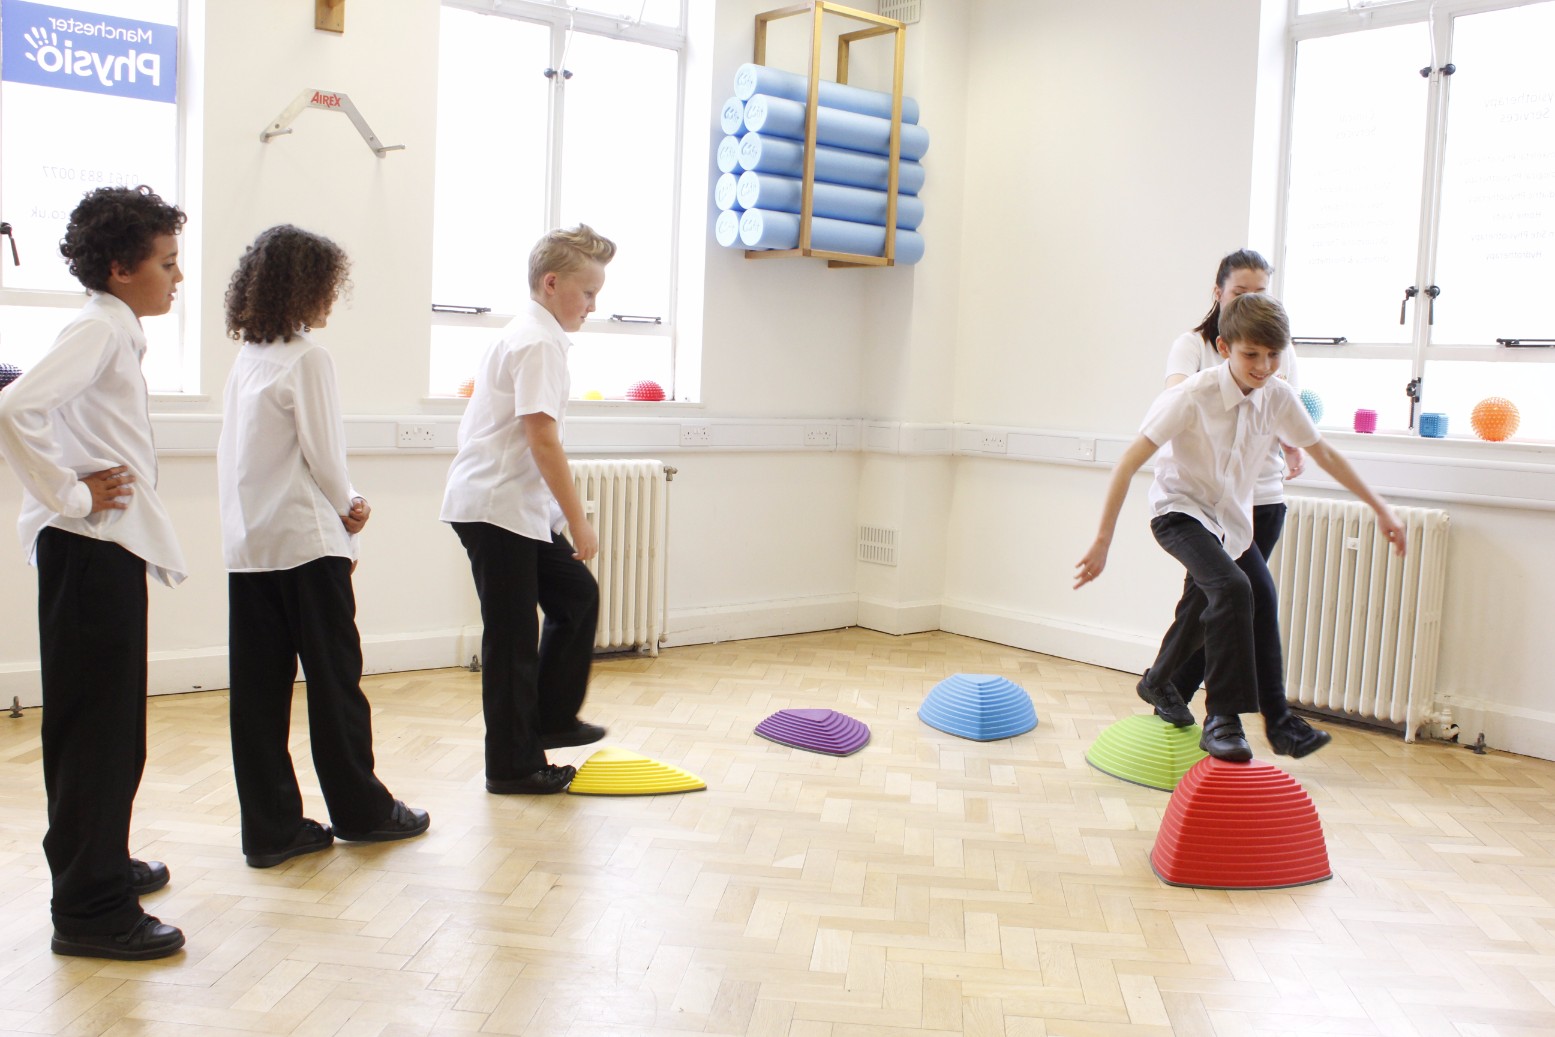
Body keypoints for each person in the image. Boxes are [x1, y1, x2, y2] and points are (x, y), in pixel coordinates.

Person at [1075, 293, 1405, 762]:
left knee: (1255, 596)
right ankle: (1223, 719)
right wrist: (1102, 541)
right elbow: (1128, 463)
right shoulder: (1190, 396)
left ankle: (1248, 712)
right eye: (1252, 354)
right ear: (1225, 347)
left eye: (1274, 355)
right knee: (1232, 589)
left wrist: (1381, 509)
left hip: (1230, 521)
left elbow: (1325, 454)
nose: (1264, 366)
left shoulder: (1278, 397)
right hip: (1179, 512)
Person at [0, 185, 188, 959]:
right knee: (96, 736)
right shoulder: (99, 330)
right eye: (167, 263)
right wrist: (72, 494)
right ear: (119, 268)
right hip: (88, 550)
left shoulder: (112, 327)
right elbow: (14, 409)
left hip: (102, 549)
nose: (177, 277)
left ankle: (99, 862)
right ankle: (89, 910)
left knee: (112, 730)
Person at [219, 224, 429, 868]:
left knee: (257, 693)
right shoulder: (308, 358)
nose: (332, 298)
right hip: (308, 545)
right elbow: (323, 453)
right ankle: (363, 812)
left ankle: (271, 830)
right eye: (328, 285)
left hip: (250, 545)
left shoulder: (248, 359)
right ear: (304, 287)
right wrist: (351, 504)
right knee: (335, 682)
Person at [442, 225, 614, 795]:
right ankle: (513, 766)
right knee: (512, 638)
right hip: (495, 508)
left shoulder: (539, 336)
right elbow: (542, 440)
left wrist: (559, 519)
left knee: (576, 597)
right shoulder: (537, 341)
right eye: (587, 293)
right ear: (552, 282)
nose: (594, 305)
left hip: (512, 507)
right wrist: (580, 518)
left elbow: (533, 446)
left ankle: (550, 718)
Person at [1152, 250, 1328, 757]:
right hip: (1203, 498)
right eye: (1239, 292)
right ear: (1218, 294)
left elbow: (1283, 405)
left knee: (1216, 598)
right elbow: (1176, 393)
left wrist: (1294, 445)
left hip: (1264, 497)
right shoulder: (1194, 347)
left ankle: (1169, 689)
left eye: (1260, 293)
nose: (1250, 300)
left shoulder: (1274, 348)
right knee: (1219, 595)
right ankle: (1202, 707)